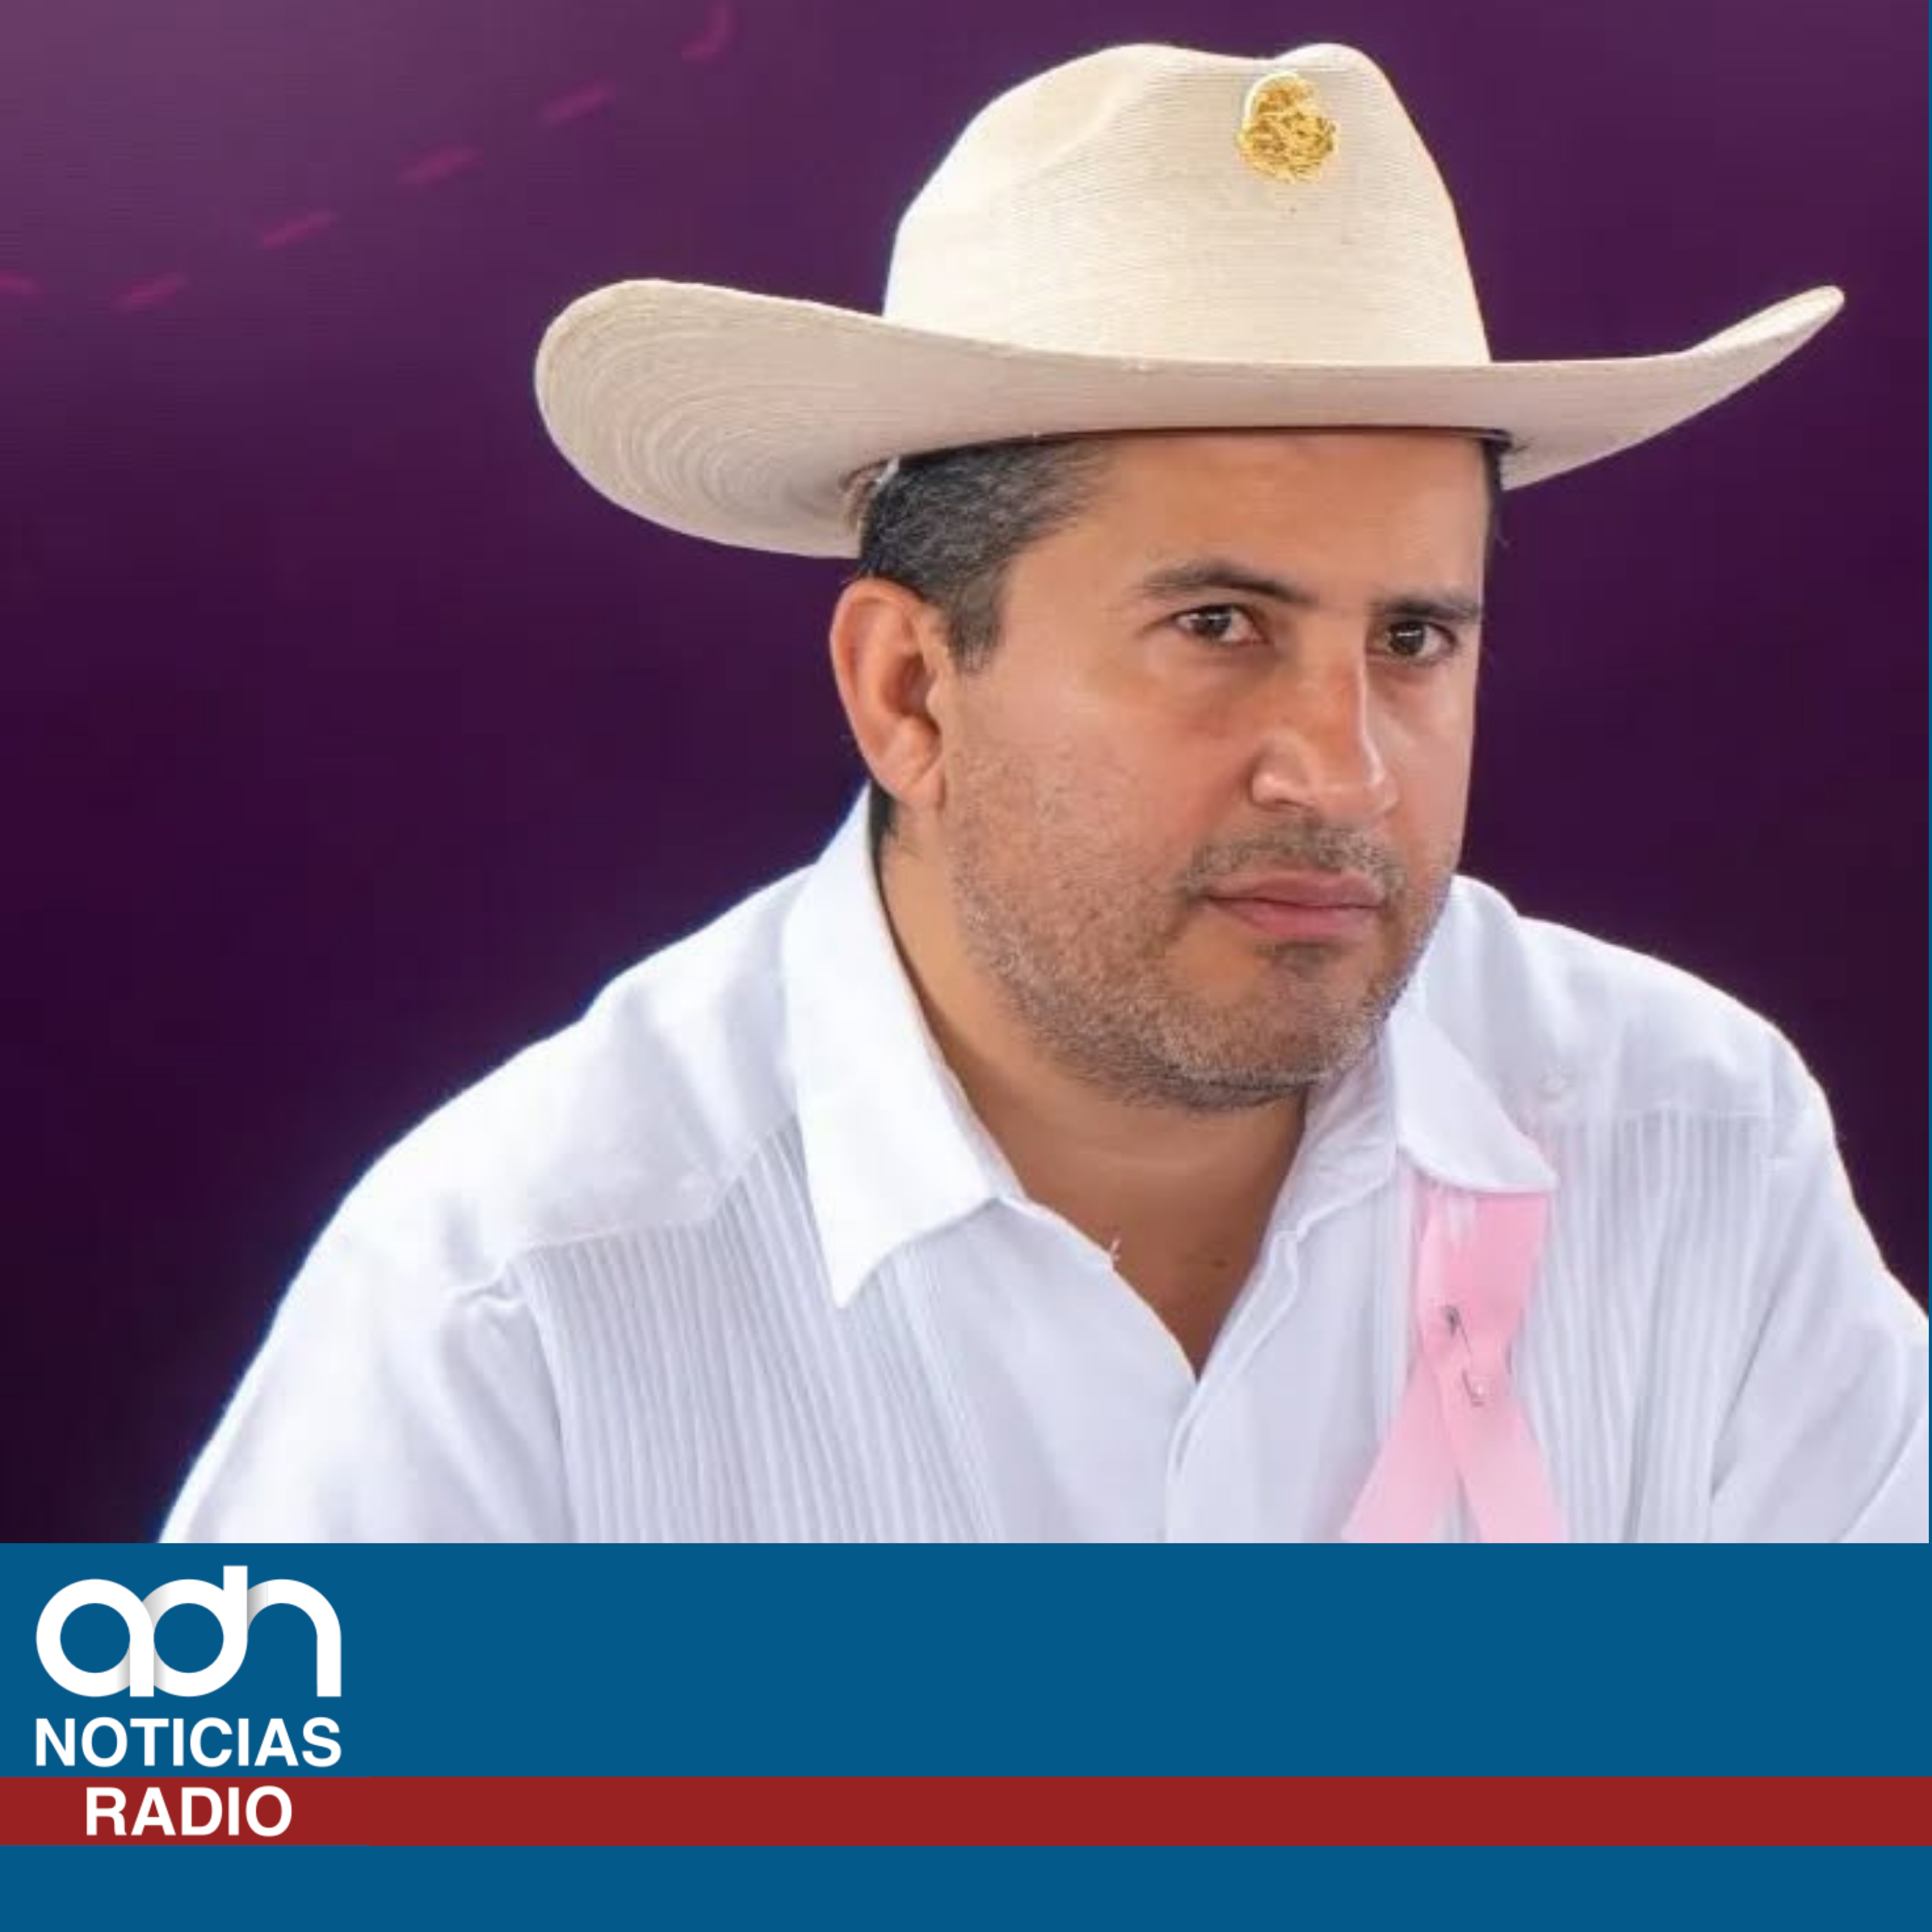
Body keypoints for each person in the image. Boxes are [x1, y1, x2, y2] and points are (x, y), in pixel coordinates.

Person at [163, 40, 1926, 1542]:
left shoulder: (1699, 1153)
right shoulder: (515, 1305)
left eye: (1413, 638)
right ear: (910, 689)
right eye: (1218, 625)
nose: (1344, 768)